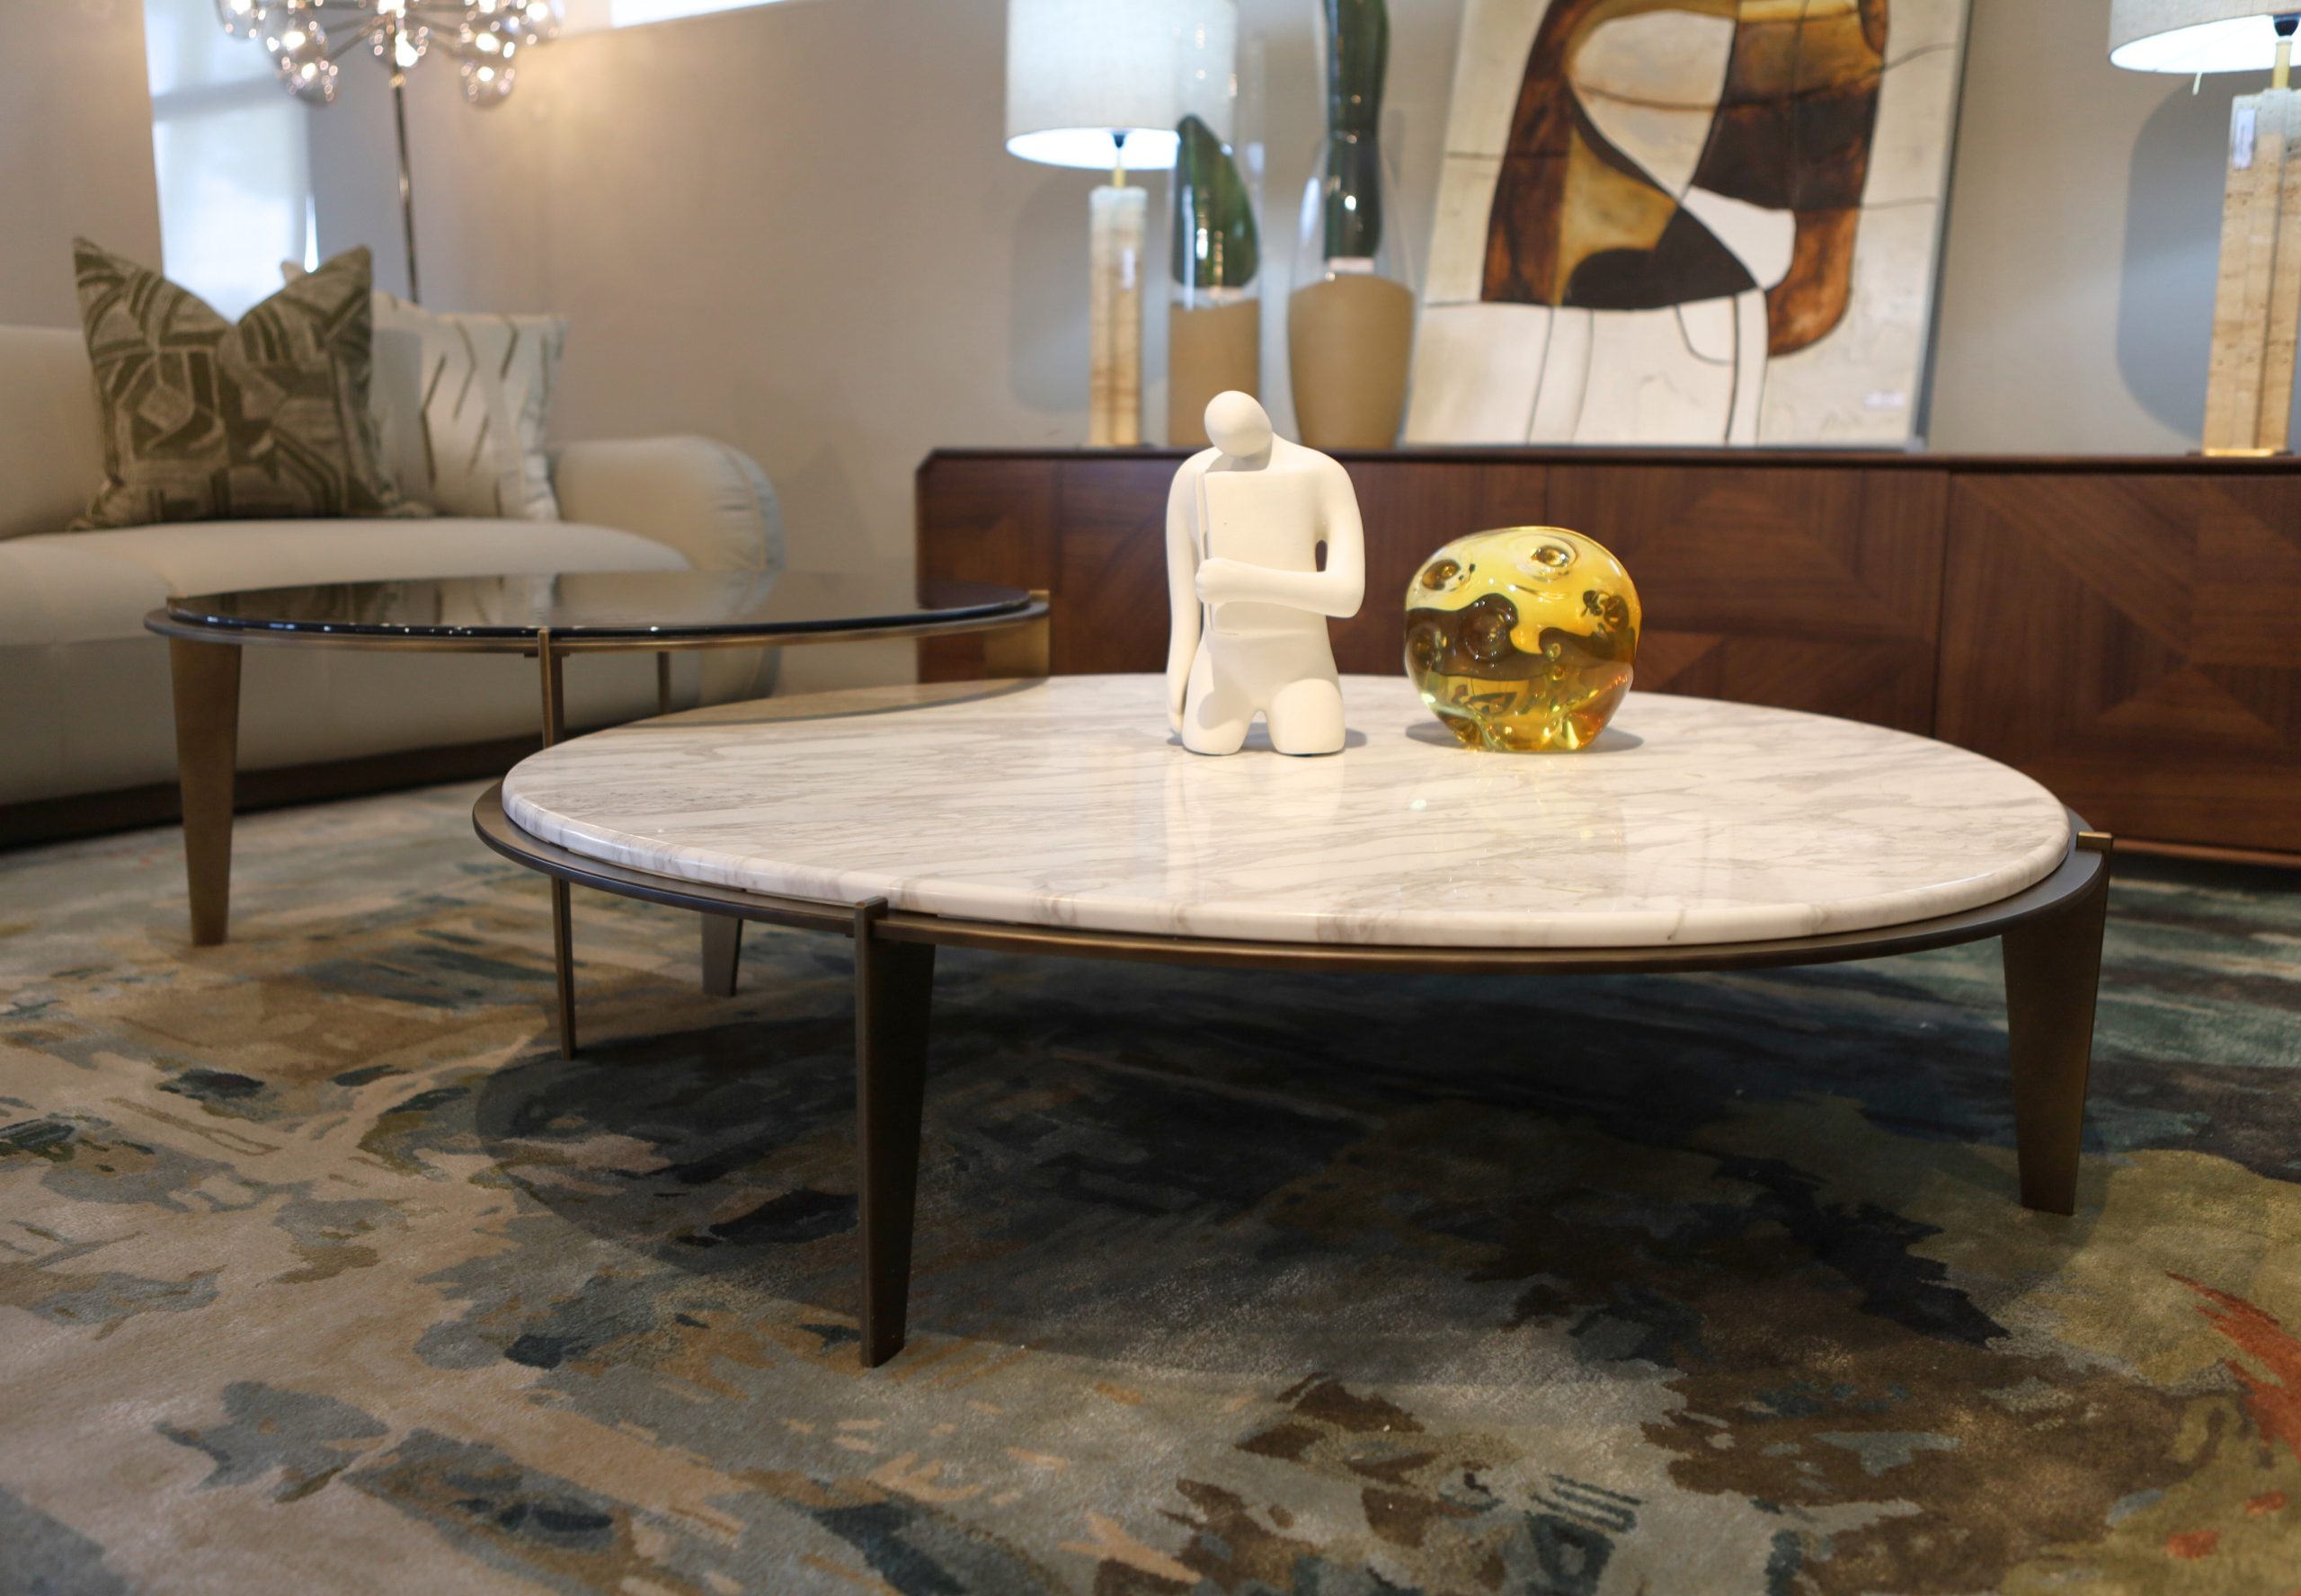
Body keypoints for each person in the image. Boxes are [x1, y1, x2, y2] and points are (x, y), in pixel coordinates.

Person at [1164, 391, 1366, 756]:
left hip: (1302, 667)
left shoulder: (1322, 473)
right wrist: (1178, 671)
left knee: (1311, 751)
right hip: (1219, 669)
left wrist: (1243, 582)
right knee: (1206, 753)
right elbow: (1183, 606)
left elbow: (1347, 595)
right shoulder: (1191, 477)